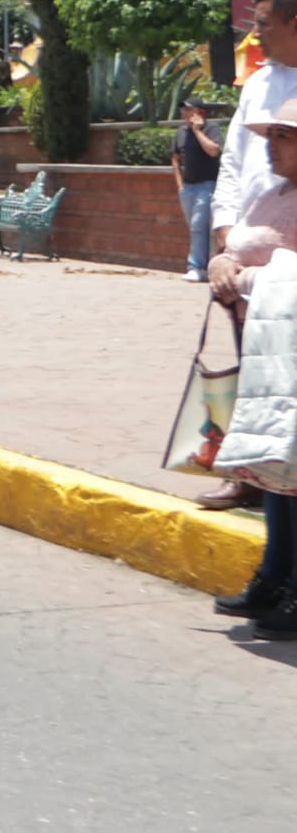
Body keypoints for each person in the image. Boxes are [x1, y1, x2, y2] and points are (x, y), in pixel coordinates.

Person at [201, 0, 297, 510]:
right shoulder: (257, 85)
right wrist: (224, 239)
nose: (254, 31)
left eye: (263, 22)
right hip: (248, 251)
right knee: (250, 367)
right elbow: (233, 165)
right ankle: (248, 477)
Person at [207, 95, 297, 636]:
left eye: (284, 136)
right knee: (274, 470)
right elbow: (234, 248)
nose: (271, 145)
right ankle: (272, 578)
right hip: (266, 354)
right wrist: (222, 263)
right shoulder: (271, 195)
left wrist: (244, 281)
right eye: (270, 135)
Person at [173, 95, 222, 283]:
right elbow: (175, 158)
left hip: (206, 185)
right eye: (183, 110)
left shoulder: (212, 128)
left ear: (200, 112)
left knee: (198, 226)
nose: (184, 113)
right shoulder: (180, 132)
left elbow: (213, 150)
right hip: (188, 188)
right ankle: (204, 267)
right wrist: (180, 185)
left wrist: (197, 131)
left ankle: (196, 266)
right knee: (196, 228)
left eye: (188, 109)